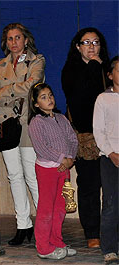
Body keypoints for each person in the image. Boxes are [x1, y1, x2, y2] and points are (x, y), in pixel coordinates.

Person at [0, 23, 45, 245]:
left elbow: (32, 86)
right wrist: (14, 89)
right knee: (14, 176)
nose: (14, 42)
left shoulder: (36, 60)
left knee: (32, 175)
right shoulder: (1, 64)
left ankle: (43, 224)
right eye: (10, 39)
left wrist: (6, 90)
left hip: (27, 123)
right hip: (6, 123)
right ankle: (23, 224)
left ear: (25, 40)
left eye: (17, 38)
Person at [61, 27, 109, 248]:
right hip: (86, 138)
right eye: (86, 42)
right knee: (89, 186)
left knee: (110, 186)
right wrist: (93, 67)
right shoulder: (71, 70)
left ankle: (111, 229)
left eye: (96, 42)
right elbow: (82, 99)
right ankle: (92, 232)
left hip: (110, 138)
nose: (92, 47)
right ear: (78, 46)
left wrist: (99, 67)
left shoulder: (108, 68)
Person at [27, 82, 78, 260]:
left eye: (50, 95)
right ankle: (43, 247)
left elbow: (73, 139)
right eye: (43, 97)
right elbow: (42, 147)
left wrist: (70, 158)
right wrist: (62, 159)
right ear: (35, 104)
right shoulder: (36, 123)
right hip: (47, 170)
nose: (49, 99)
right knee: (46, 209)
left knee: (60, 208)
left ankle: (56, 241)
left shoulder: (61, 118)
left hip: (63, 170)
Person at [93, 56, 119, 263]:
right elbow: (99, 131)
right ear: (110, 75)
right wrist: (111, 153)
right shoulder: (103, 99)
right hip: (110, 158)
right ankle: (109, 247)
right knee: (111, 203)